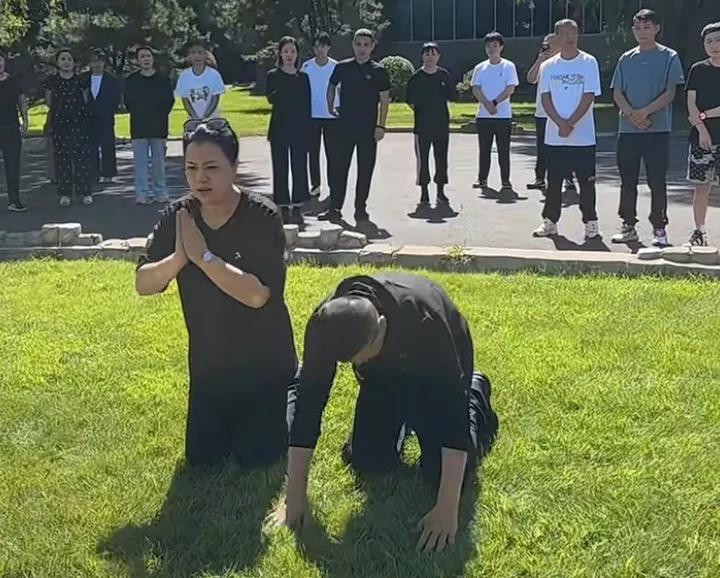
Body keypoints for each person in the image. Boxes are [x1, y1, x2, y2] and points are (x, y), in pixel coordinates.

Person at [276, 272, 499, 553]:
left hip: (440, 370)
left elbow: (452, 416)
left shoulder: (426, 320)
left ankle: (476, 392)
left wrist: (446, 508)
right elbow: (309, 403)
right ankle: (403, 416)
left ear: (381, 325)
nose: (359, 363)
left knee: (442, 473)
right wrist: (294, 496)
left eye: (363, 355)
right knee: (368, 460)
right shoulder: (326, 325)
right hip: (383, 376)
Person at [135, 119, 298, 467]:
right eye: (191, 168)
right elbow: (144, 283)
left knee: (257, 458)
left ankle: (291, 393)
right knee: (203, 460)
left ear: (234, 167)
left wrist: (204, 258)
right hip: (210, 365)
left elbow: (258, 296)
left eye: (211, 168)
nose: (200, 178)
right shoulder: (178, 216)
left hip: (264, 362)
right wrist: (178, 258)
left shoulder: (262, 216)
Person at [610, 9, 685, 248]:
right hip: (628, 130)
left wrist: (644, 112)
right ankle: (628, 225)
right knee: (628, 179)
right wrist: (632, 114)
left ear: (656, 29)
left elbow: (670, 92)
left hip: (657, 129)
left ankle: (659, 228)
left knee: (656, 180)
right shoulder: (626, 58)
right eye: (638, 28)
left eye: (647, 27)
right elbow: (617, 92)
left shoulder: (669, 56)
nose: (642, 32)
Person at [532, 20, 602, 240]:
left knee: (586, 183)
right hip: (555, 137)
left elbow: (589, 95)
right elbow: (545, 98)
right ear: (556, 37)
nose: (570, 37)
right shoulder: (548, 66)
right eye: (565, 33)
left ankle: (591, 223)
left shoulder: (588, 62)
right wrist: (559, 123)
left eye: (574, 33)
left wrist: (570, 122)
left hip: (583, 137)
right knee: (553, 183)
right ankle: (550, 222)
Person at [318, 29, 390, 224]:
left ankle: (360, 209)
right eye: (358, 44)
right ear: (353, 45)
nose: (362, 49)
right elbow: (331, 86)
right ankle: (335, 208)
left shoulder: (379, 71)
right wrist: (330, 105)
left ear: (372, 47)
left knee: (365, 170)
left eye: (366, 45)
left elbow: (384, 101)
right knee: (339, 169)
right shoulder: (342, 67)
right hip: (344, 128)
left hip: (368, 129)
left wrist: (381, 126)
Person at [266, 36, 311, 224]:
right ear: (280, 54)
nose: (289, 55)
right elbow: (272, 98)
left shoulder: (303, 77)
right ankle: (283, 205)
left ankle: (298, 206)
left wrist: (308, 130)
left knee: (299, 166)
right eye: (286, 51)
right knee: (280, 167)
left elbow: (307, 104)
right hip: (279, 127)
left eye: (293, 51)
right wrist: (287, 81)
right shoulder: (273, 76)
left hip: (299, 127)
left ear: (297, 54)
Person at [124, 45, 176, 205]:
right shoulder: (131, 80)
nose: (146, 59)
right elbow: (128, 102)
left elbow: (169, 101)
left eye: (148, 56)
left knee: (158, 163)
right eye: (142, 56)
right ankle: (142, 193)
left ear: (153, 59)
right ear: (137, 61)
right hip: (139, 126)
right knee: (140, 164)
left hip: (158, 126)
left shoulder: (163, 80)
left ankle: (161, 192)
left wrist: (159, 114)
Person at [685, 22, 720, 247]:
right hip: (701, 138)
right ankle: (699, 231)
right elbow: (691, 104)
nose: (714, 45)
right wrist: (702, 129)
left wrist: (704, 115)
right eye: (709, 41)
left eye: (718, 40)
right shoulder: (697, 70)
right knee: (701, 187)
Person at [45, 48, 93, 207]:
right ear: (57, 62)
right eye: (63, 59)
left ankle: (85, 192)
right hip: (60, 124)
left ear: (74, 63)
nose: (66, 62)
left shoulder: (81, 80)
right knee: (62, 160)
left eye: (69, 59)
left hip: (80, 123)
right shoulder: (52, 81)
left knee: (82, 159)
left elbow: (85, 100)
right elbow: (49, 102)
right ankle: (65, 193)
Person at [406, 42, 453, 207]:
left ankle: (441, 191)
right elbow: (410, 101)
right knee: (423, 159)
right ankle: (424, 192)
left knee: (441, 158)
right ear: (422, 56)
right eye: (427, 54)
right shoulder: (416, 78)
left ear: (438, 56)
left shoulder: (444, 75)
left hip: (441, 124)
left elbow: (451, 95)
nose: (430, 57)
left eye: (433, 54)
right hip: (422, 126)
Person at [471, 32, 519, 191]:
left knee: (503, 150)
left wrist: (495, 103)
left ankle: (505, 180)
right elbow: (476, 88)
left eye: (495, 45)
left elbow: (510, 88)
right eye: (488, 46)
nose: (491, 49)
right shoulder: (480, 68)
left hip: (503, 116)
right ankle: (482, 179)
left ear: (501, 47)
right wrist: (487, 104)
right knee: (484, 150)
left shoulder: (508, 66)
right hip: (484, 116)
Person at [301, 32, 339, 198]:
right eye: (316, 46)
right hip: (311, 116)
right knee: (313, 153)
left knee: (332, 153)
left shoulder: (336, 66)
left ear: (328, 47)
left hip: (332, 116)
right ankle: (315, 185)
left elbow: (340, 89)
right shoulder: (306, 67)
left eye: (323, 46)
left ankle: (333, 185)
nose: (320, 50)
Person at [0, 49, 29, 212]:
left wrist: (25, 120)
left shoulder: (13, 81)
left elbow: (21, 101)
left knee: (12, 165)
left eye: (0, 60)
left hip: (10, 127)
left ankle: (14, 200)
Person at [87, 51, 121, 184]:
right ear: (90, 63)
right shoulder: (83, 79)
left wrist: (108, 111)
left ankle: (108, 173)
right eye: (94, 61)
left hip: (106, 117)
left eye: (99, 61)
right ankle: (92, 174)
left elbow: (116, 99)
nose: (97, 64)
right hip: (88, 118)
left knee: (107, 146)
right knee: (90, 147)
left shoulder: (111, 80)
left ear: (104, 63)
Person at [175, 41, 226, 120]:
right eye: (193, 53)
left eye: (200, 52)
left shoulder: (214, 75)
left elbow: (215, 99)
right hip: (193, 120)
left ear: (205, 55)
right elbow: (185, 101)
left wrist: (205, 117)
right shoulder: (184, 76)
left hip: (212, 119)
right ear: (189, 56)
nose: (197, 56)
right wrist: (195, 118)